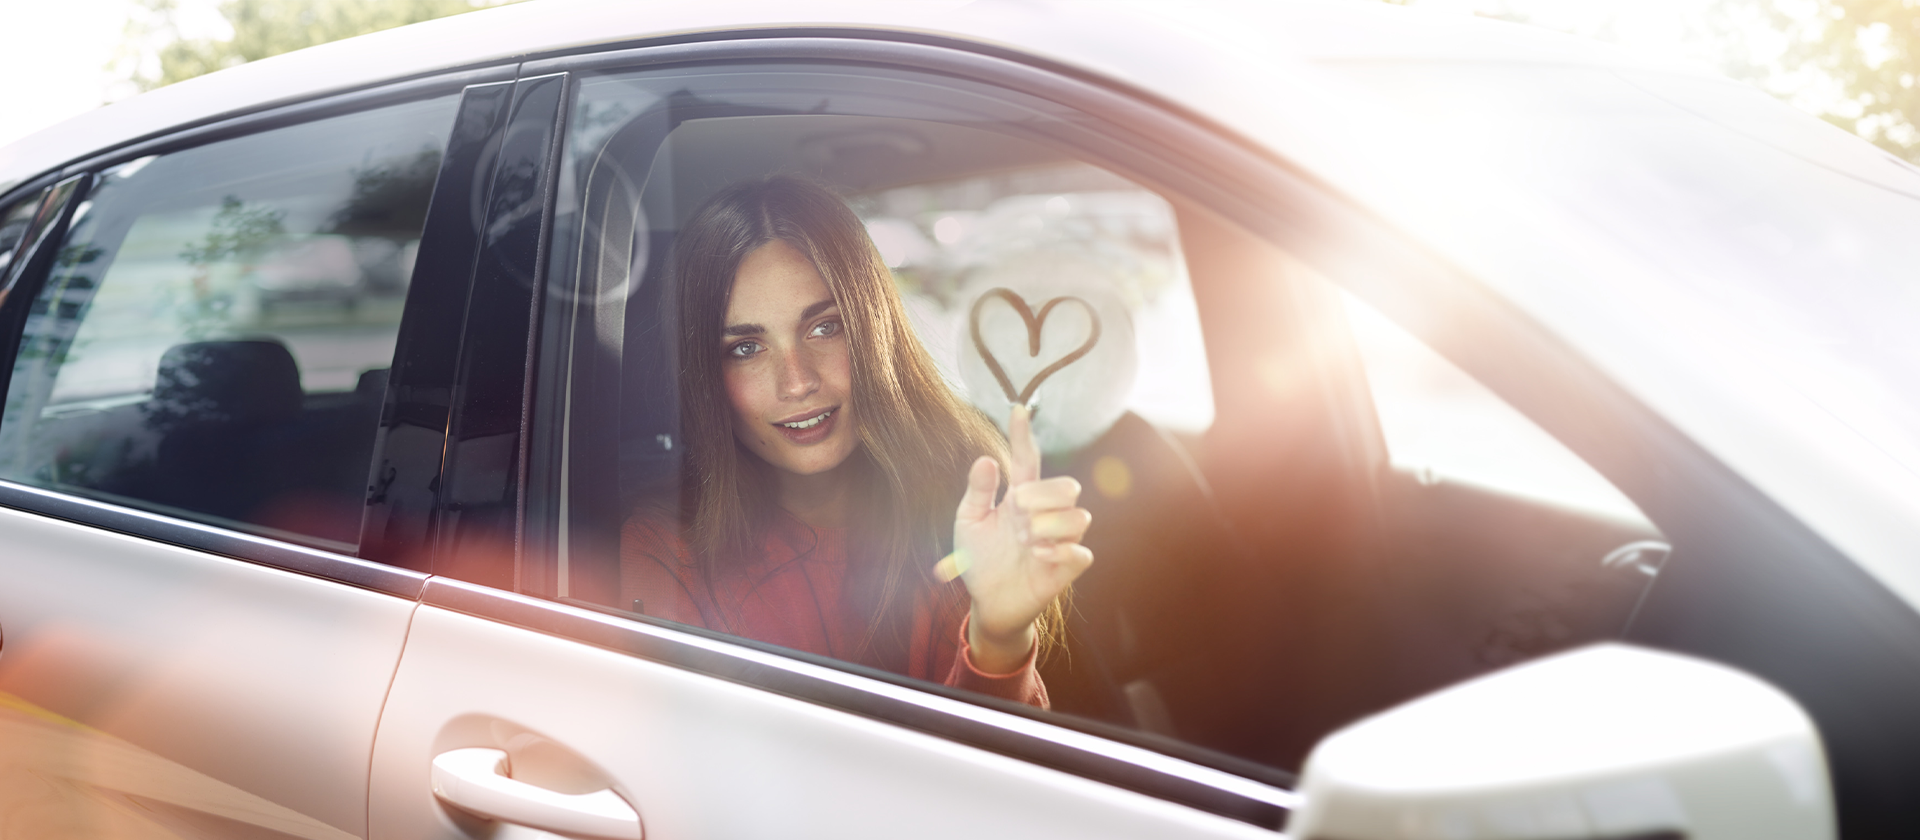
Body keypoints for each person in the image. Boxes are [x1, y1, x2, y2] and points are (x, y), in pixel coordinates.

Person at [620, 176, 1094, 708]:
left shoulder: (965, 504)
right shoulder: (668, 553)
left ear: (874, 330)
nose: (797, 381)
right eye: (746, 347)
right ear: (706, 375)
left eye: (824, 328)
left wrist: (999, 640)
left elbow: (994, 757)